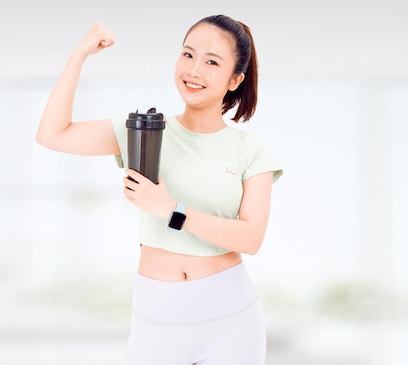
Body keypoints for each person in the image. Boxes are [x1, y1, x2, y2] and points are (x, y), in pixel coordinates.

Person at [35, 14, 283, 365]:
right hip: (157, 317)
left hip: (230, 318)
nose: (195, 70)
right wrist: (80, 54)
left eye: (212, 62)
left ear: (235, 79)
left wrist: (172, 210)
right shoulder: (144, 132)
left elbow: (251, 238)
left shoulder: (251, 151)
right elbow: (52, 134)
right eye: (188, 54)